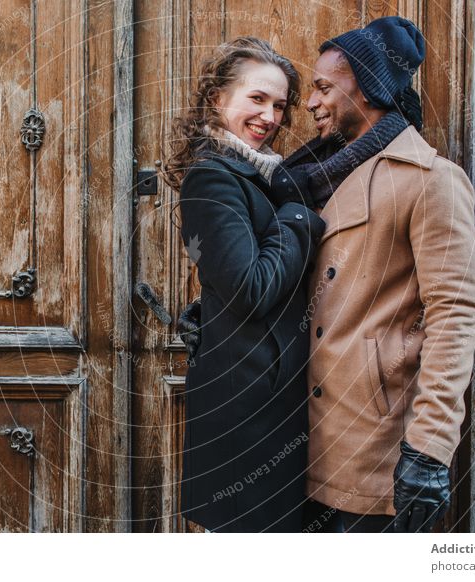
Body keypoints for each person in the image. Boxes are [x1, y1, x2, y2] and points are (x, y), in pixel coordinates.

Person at [180, 17, 475, 533]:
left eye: (322, 88)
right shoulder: (310, 174)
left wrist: (430, 448)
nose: (308, 105)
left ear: (364, 86)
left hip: (370, 444)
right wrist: (216, 314)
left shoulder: (431, 180)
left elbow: (454, 315)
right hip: (294, 442)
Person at [162, 37, 326, 532]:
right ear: (217, 99)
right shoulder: (212, 178)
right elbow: (249, 288)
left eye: (279, 105)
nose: (271, 116)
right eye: (257, 99)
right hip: (246, 411)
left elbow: (225, 274)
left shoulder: (257, 175)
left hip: (264, 397)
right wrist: (299, 217)